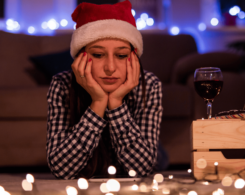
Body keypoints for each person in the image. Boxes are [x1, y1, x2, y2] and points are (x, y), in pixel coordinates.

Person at [46, 0, 164, 179]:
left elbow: (142, 169)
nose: (110, 67)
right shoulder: (61, 84)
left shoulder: (149, 84)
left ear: (133, 58)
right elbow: (61, 170)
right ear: (81, 58)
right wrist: (99, 103)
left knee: (159, 158)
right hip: (94, 166)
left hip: (145, 148)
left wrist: (115, 103)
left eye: (121, 55)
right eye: (98, 55)